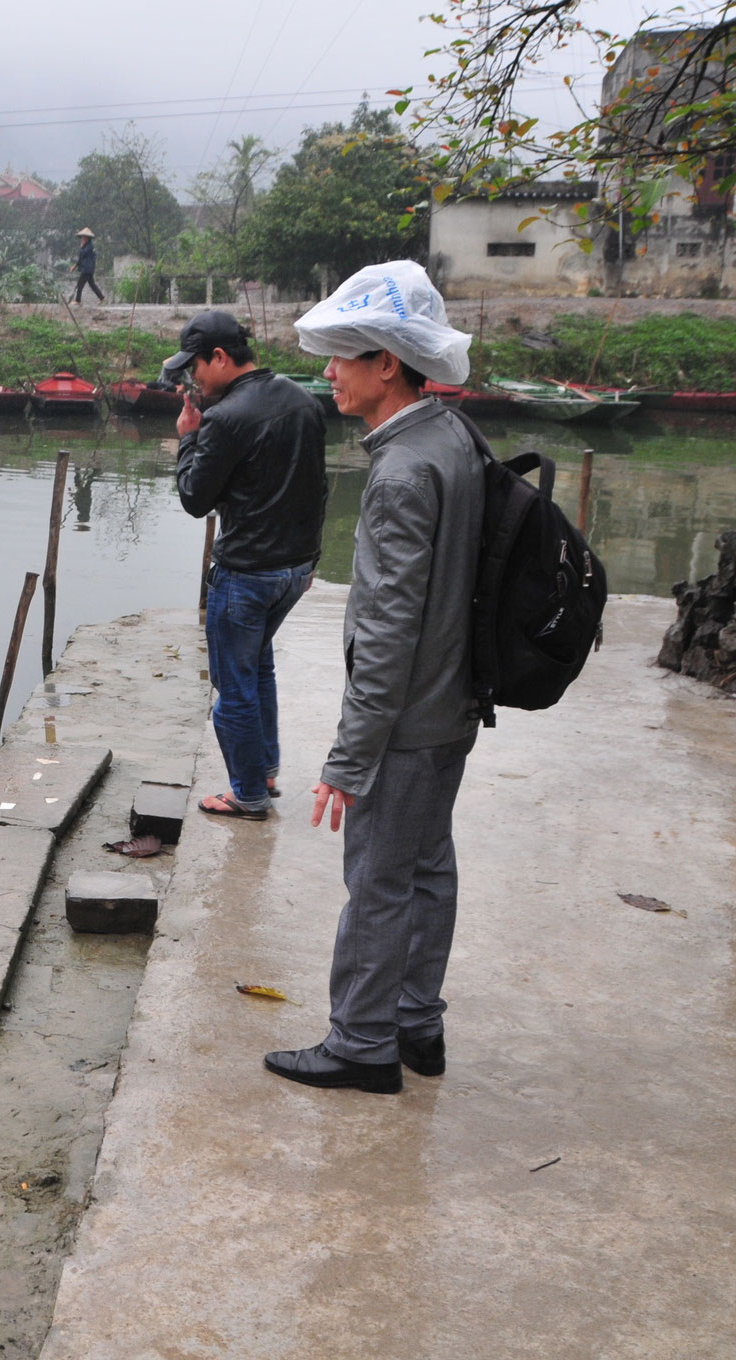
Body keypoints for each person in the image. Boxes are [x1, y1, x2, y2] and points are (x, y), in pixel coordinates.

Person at [266, 260, 483, 1094]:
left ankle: (360, 1042)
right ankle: (415, 1025)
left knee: (378, 881)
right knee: (428, 867)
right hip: (453, 704)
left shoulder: (399, 472)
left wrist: (349, 757)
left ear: (386, 362)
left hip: (406, 722)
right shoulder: (453, 438)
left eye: (341, 357)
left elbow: (388, 631)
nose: (329, 374)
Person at [169, 310, 329, 819]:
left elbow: (195, 498)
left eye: (194, 366)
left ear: (219, 357)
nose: (192, 378)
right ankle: (265, 770)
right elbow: (317, 487)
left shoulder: (225, 418)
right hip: (295, 570)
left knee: (233, 685)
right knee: (259, 667)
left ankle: (249, 794)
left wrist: (189, 436)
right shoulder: (302, 400)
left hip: (246, 575)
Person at [71, 228, 104, 303]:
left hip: (87, 269)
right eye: (82, 237)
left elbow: (83, 254)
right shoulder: (86, 246)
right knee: (92, 284)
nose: (82, 239)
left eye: (83, 237)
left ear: (87, 238)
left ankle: (77, 300)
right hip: (87, 269)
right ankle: (101, 297)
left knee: (80, 284)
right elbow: (80, 259)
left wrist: (81, 247)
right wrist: (75, 266)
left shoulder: (89, 246)